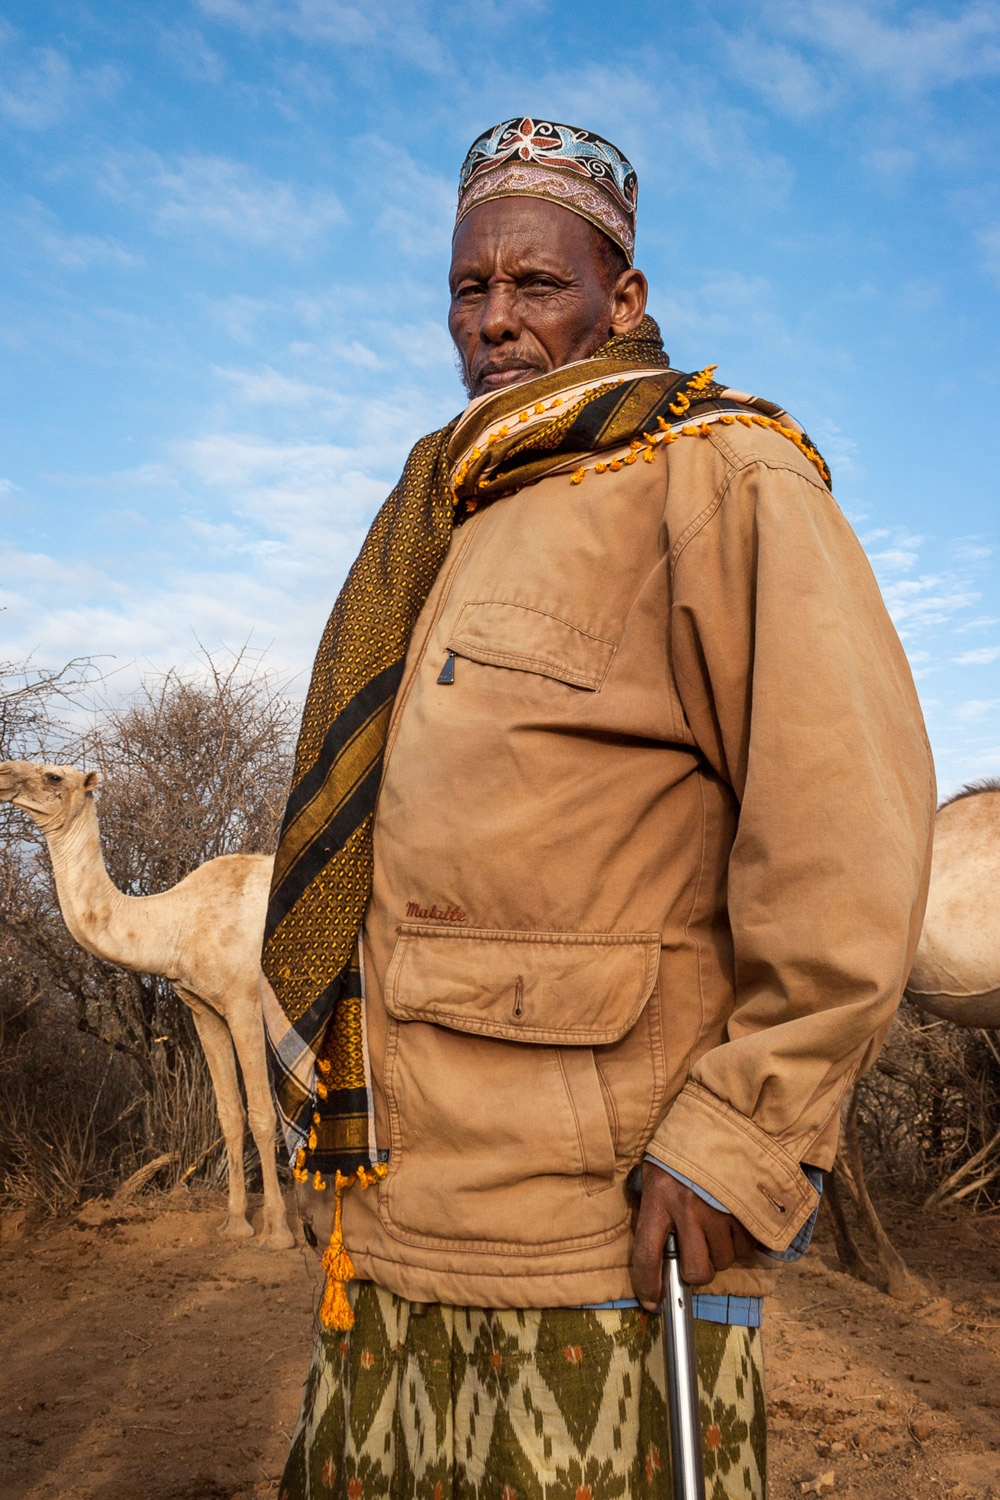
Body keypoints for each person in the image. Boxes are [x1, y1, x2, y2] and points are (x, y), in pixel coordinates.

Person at [261, 117, 935, 1499]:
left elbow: (849, 839)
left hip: (603, 1251)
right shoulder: (445, 510)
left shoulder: (720, 477)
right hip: (393, 1230)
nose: (493, 320)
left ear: (622, 298)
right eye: (469, 289)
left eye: (535, 285)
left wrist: (740, 1139)